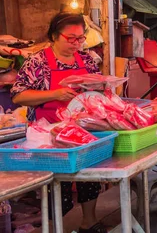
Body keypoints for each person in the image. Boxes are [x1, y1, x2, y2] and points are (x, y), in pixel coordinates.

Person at [11, 13, 107, 233]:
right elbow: (18, 95)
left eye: (80, 38)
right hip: (48, 135)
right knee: (58, 186)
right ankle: (56, 228)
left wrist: (101, 87)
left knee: (88, 178)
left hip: (83, 130)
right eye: (70, 38)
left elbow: (98, 88)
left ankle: (88, 223)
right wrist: (54, 94)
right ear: (54, 36)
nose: (76, 43)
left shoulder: (87, 59)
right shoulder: (38, 61)